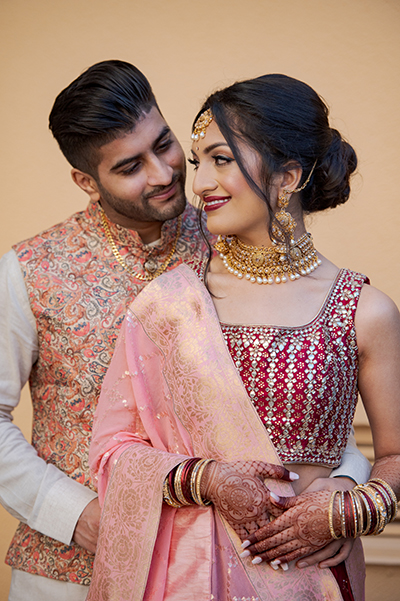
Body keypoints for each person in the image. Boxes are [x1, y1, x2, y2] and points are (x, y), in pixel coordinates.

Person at [0, 61, 368, 601]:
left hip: (233, 569)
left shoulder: (238, 236)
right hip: (70, 565)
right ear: (86, 181)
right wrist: (79, 516)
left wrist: (345, 489)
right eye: (130, 166)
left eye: (165, 144)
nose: (165, 173)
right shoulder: (31, 269)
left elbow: (317, 383)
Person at [87, 74, 400, 601]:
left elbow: (394, 458)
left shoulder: (364, 310)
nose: (200, 183)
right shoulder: (168, 306)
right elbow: (112, 450)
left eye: (221, 159)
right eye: (197, 162)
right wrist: (207, 480)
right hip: (188, 578)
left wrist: (347, 507)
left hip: (313, 577)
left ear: (288, 176)